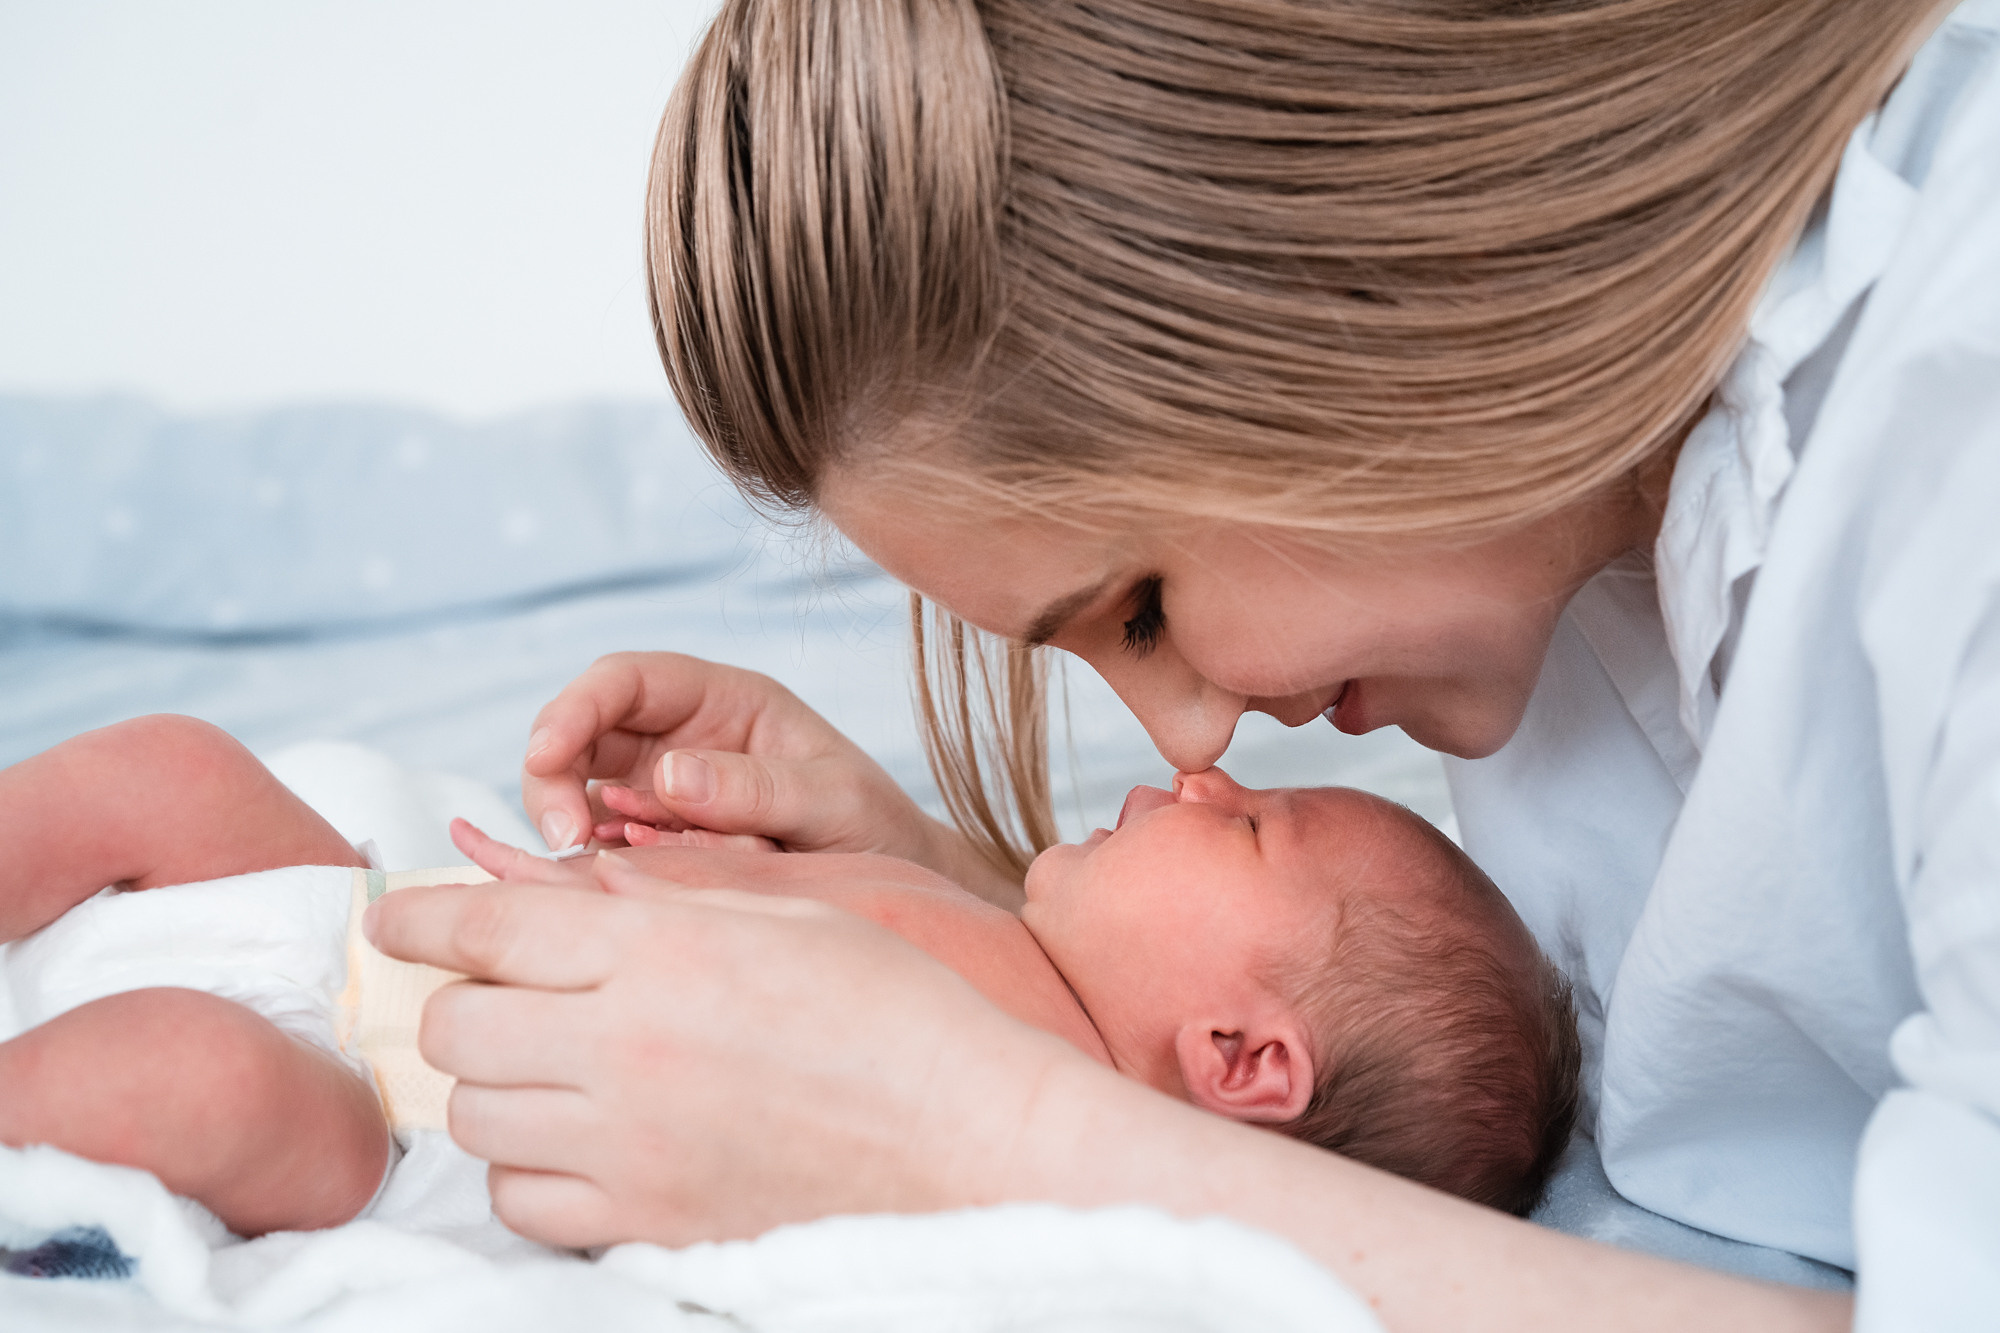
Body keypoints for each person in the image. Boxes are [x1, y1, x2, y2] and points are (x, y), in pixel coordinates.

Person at [364, 1, 1998, 1329]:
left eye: (1139, 604)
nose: (1191, 733)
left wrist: (984, 1131)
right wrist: (970, 936)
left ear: (1351, 305)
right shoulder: (1538, 554)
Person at [457, 765, 1582, 1217]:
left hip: (450, 1060)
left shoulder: (1007, 1065)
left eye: (1244, 825)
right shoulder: (1025, 983)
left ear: (1240, 1057)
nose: (1199, 773)